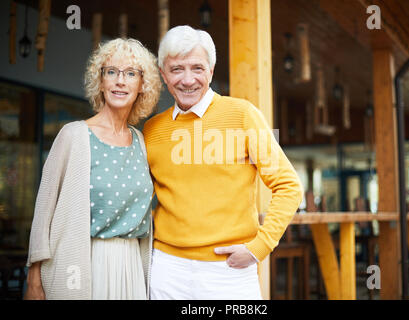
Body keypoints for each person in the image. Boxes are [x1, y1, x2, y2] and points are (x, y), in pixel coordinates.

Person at [143, 25, 303, 300]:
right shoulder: (152, 130)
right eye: (177, 69)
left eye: (197, 68)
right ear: (163, 74)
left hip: (228, 269)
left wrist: (259, 246)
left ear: (211, 71)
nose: (188, 79)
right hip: (167, 268)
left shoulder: (242, 115)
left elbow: (289, 186)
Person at [24, 38, 161, 300]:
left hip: (131, 266)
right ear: (100, 81)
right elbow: (44, 212)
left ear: (143, 85)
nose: (120, 81)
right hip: (83, 264)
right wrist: (33, 279)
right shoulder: (73, 135)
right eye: (111, 72)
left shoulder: (141, 142)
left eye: (131, 73)